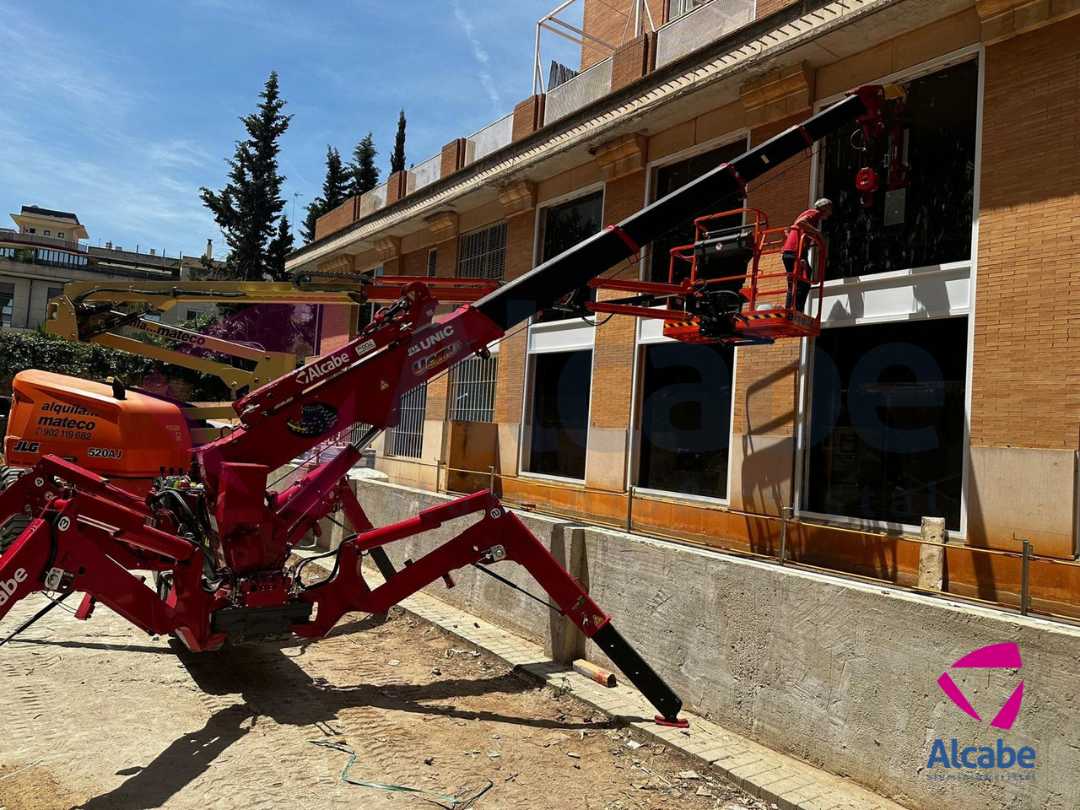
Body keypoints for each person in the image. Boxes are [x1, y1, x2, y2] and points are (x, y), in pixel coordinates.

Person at [782, 198, 832, 311]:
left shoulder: (810, 215)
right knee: (803, 283)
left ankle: (790, 309)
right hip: (796, 252)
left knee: (795, 283)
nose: (830, 213)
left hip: (792, 252)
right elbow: (800, 223)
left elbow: (796, 227)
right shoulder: (815, 213)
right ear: (824, 208)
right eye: (829, 209)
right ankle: (796, 311)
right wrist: (817, 232)